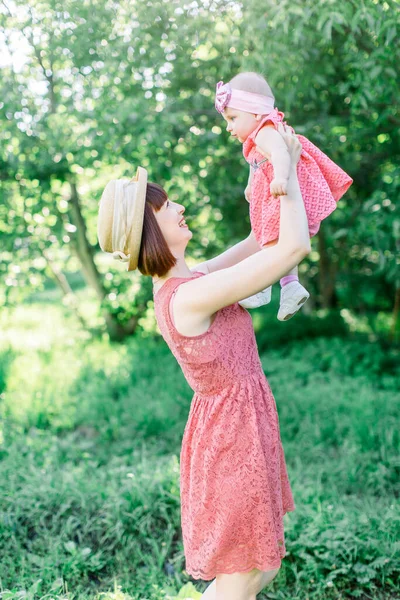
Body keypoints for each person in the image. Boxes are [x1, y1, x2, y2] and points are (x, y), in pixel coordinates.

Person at [97, 126, 310, 600]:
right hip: (230, 438)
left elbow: (262, 239)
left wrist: (270, 167)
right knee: (244, 575)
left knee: (261, 568)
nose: (178, 208)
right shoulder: (190, 296)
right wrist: (289, 176)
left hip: (240, 426)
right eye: (166, 205)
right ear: (152, 229)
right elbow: (291, 250)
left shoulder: (194, 278)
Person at [215, 71, 353, 320]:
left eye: (233, 118)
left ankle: (262, 287)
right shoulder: (259, 134)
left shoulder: (265, 132)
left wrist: (281, 177)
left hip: (278, 193)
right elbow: (255, 163)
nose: (229, 127)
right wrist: (249, 184)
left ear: (256, 112)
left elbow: (279, 153)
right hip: (277, 194)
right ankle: (290, 286)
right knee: (276, 241)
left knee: (269, 241)